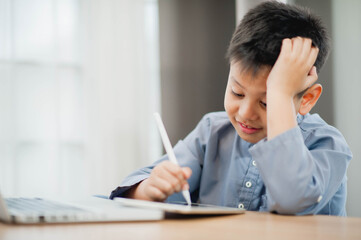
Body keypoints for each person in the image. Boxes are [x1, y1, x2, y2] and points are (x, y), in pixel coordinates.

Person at [109, 1, 352, 215]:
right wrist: (149, 189)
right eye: (237, 92)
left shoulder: (328, 145)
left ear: (307, 99)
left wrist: (280, 91)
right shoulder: (212, 131)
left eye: (268, 102)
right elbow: (134, 192)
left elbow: (294, 200)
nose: (245, 112)